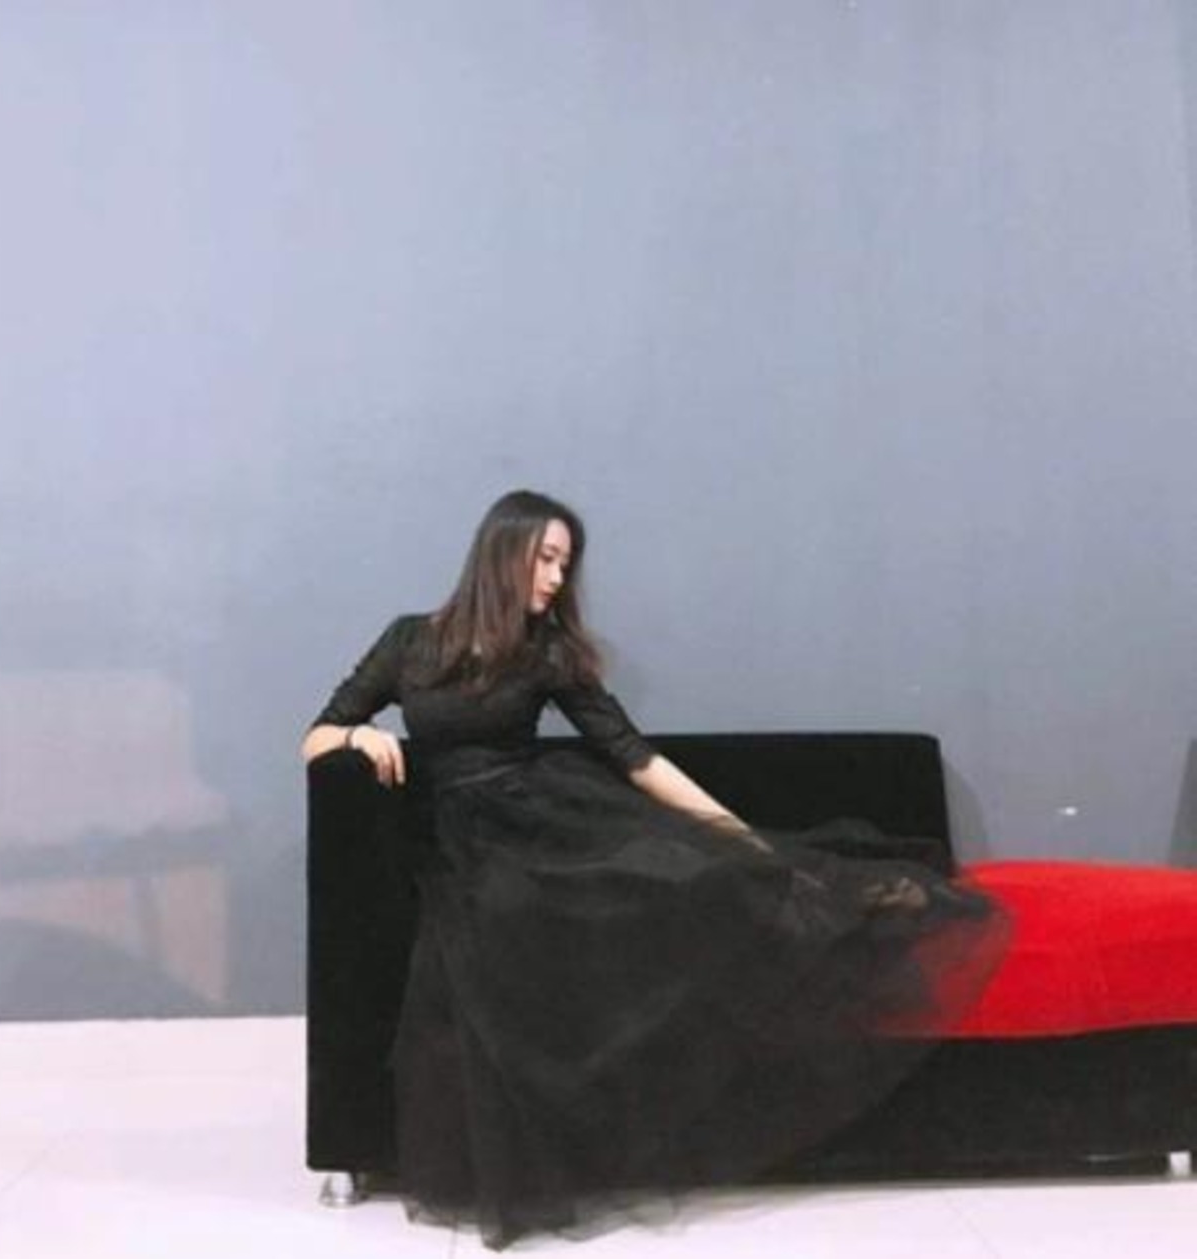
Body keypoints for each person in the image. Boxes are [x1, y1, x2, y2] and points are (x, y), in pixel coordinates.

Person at [302, 489, 1009, 1250]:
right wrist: (357, 737)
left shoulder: (546, 653)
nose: (556, 579)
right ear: (503, 552)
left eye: (565, 564)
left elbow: (633, 755)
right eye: (546, 559)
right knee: (503, 917)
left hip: (548, 816)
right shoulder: (411, 640)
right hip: (467, 841)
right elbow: (318, 732)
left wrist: (744, 840)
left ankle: (843, 903)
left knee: (692, 875)